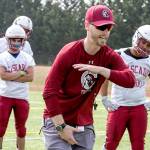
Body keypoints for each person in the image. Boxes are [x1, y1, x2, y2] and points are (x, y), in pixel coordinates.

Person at [42, 4, 135, 150]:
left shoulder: (109, 56)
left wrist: (102, 70)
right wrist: (61, 127)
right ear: (87, 25)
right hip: (58, 120)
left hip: (84, 123)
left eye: (108, 28)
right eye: (100, 27)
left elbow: (130, 80)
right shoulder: (69, 52)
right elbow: (49, 92)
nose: (105, 32)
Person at [99, 25, 150, 150]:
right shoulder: (118, 54)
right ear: (136, 38)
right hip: (118, 106)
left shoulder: (149, 61)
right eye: (143, 42)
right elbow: (105, 76)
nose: (144, 47)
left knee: (138, 145)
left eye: (149, 45)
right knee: (110, 144)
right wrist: (104, 98)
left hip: (139, 107)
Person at [0, 24, 35, 150]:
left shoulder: (27, 57)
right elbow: (3, 76)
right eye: (13, 40)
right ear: (8, 40)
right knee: (0, 128)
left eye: (18, 40)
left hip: (21, 97)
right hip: (5, 96)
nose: (15, 42)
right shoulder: (2, 56)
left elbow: (30, 77)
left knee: (21, 130)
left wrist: (11, 75)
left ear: (23, 41)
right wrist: (20, 73)